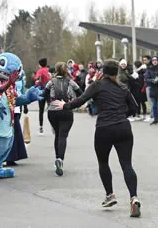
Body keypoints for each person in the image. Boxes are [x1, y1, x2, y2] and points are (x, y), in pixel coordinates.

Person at [52, 59, 141, 217]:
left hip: (104, 128)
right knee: (127, 164)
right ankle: (134, 198)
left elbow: (81, 100)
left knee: (103, 162)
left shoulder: (96, 86)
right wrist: (122, 115)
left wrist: (64, 105)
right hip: (123, 127)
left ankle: (110, 195)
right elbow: (135, 108)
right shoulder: (123, 87)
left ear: (102, 72)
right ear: (117, 73)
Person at [44, 62, 83, 176]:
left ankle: (57, 158)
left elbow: (44, 94)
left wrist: (49, 102)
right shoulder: (70, 81)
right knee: (63, 135)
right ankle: (60, 159)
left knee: (57, 134)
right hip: (66, 109)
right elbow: (80, 93)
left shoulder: (51, 82)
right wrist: (73, 103)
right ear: (66, 70)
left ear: (56, 70)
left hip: (52, 111)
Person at [6, 70, 28, 166]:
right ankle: (9, 156)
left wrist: (25, 104)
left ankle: (13, 156)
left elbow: (22, 91)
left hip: (17, 106)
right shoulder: (5, 76)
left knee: (14, 131)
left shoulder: (21, 75)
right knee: (11, 131)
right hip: (9, 105)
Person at [34, 57, 51, 135]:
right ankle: (53, 126)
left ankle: (41, 127)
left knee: (41, 110)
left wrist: (36, 83)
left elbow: (37, 80)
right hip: (49, 91)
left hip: (41, 91)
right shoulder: (48, 70)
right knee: (51, 108)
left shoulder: (40, 71)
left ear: (40, 64)